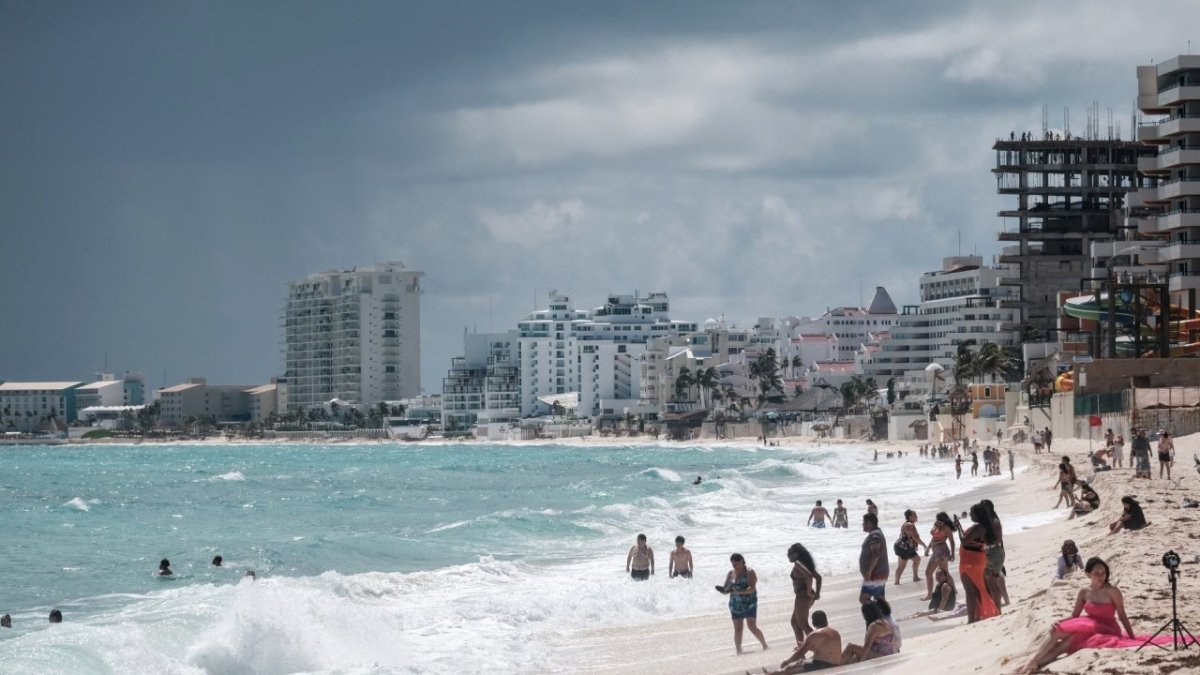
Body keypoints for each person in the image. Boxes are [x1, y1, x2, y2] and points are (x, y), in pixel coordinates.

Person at [1018, 557, 1190, 673]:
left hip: (1106, 627)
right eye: (1097, 573)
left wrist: (1132, 637)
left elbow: (1122, 615)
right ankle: (1033, 663)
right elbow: (1075, 615)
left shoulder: (1112, 591)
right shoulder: (1084, 592)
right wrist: (1059, 620)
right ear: (1088, 574)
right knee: (1057, 631)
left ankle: (1033, 664)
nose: (1101, 576)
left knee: (1063, 647)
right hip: (1087, 623)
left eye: (1104, 573)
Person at [954, 504, 1000, 622]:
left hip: (970, 560)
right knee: (979, 588)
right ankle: (982, 614)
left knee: (970, 591)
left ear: (977, 515)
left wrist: (958, 528)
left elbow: (964, 541)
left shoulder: (978, 527)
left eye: (972, 513)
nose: (970, 515)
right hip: (978, 559)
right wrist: (959, 527)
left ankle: (971, 619)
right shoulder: (985, 526)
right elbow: (972, 539)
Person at [763, 610, 842, 673]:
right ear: (826, 621)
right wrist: (811, 649)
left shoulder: (814, 635)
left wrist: (787, 661)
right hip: (835, 664)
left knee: (789, 668)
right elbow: (825, 651)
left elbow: (800, 653)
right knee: (801, 663)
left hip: (822, 665)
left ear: (813, 623)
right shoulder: (835, 632)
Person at [722, 553, 768, 654]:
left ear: (742, 561)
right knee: (738, 629)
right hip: (735, 604)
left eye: (736, 564)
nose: (734, 567)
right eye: (733, 564)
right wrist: (724, 590)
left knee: (752, 626)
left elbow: (752, 589)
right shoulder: (731, 573)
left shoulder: (749, 572)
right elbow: (726, 588)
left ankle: (764, 645)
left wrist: (739, 592)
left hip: (749, 602)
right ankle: (738, 650)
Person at [787, 542, 822, 644]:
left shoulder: (798, 564)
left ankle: (820, 647)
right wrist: (817, 594)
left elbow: (809, 577)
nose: (788, 556)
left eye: (789, 553)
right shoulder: (805, 564)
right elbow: (818, 578)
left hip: (802, 595)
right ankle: (801, 650)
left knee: (803, 624)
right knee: (795, 622)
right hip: (806, 596)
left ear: (795, 554)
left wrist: (808, 592)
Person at [922, 512, 956, 601]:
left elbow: (952, 541)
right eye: (938, 520)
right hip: (935, 550)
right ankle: (929, 594)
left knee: (944, 573)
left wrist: (952, 554)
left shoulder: (947, 528)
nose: (939, 522)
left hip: (942, 551)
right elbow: (933, 538)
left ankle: (953, 591)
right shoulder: (936, 525)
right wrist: (928, 548)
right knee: (928, 573)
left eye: (941, 521)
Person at [858, 513, 889, 603]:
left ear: (869, 523)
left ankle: (876, 616)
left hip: (876, 574)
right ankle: (884, 616)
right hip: (880, 573)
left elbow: (876, 554)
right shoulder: (876, 533)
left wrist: (868, 572)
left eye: (864, 522)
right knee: (880, 599)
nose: (862, 524)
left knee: (864, 598)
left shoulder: (875, 535)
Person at [893, 509, 925, 585]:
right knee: (902, 566)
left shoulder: (907, 524)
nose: (917, 517)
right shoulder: (910, 525)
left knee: (917, 559)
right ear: (910, 517)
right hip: (903, 547)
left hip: (904, 546)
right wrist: (924, 545)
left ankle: (915, 577)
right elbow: (916, 538)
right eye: (915, 515)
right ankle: (896, 582)